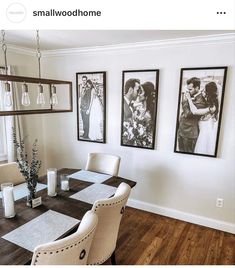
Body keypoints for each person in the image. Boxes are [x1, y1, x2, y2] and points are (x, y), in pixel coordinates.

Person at [185, 81, 218, 155]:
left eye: (204, 90)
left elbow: (194, 111)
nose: (202, 91)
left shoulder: (212, 108)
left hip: (205, 138)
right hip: (202, 135)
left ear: (208, 93)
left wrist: (189, 99)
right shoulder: (209, 104)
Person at [177, 77, 207, 153]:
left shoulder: (202, 101)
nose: (188, 92)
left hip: (190, 135)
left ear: (197, 88)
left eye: (190, 89)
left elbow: (187, 114)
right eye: (188, 89)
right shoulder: (190, 96)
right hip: (182, 131)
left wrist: (185, 100)